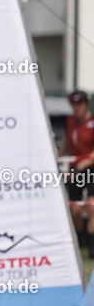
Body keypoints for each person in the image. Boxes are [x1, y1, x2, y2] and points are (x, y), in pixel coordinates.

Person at [61, 89, 94, 255]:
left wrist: (84, 163)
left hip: (91, 168)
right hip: (74, 169)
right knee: (74, 209)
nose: (76, 108)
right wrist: (59, 160)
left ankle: (91, 247)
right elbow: (66, 142)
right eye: (74, 104)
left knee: (92, 205)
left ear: (86, 105)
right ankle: (79, 241)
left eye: (79, 104)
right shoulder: (70, 122)